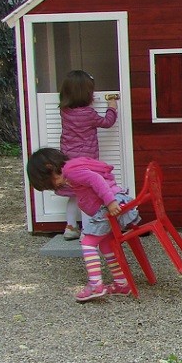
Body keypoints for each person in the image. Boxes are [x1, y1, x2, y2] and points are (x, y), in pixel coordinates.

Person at [27, 148, 141, 302]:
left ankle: (95, 285)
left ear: (50, 168)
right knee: (106, 244)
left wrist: (110, 202)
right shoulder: (73, 168)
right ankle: (121, 284)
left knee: (88, 243)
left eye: (50, 183)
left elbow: (96, 179)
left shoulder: (71, 171)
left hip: (108, 205)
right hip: (110, 204)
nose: (55, 187)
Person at [57, 70, 118, 240]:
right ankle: (87, 232)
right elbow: (107, 122)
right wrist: (112, 107)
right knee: (87, 196)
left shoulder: (64, 111)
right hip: (85, 163)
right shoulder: (89, 114)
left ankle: (70, 227)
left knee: (73, 194)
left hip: (68, 162)